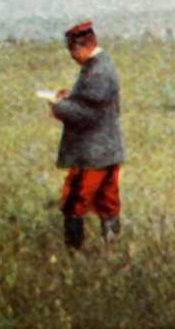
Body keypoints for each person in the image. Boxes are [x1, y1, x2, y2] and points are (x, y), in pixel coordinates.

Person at [47, 20, 124, 251]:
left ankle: (73, 250)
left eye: (73, 52)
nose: (73, 57)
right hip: (107, 151)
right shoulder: (101, 64)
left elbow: (89, 114)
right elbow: (93, 101)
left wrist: (59, 106)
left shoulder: (97, 70)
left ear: (82, 47)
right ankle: (113, 247)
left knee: (75, 200)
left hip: (93, 153)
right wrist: (71, 97)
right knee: (107, 200)